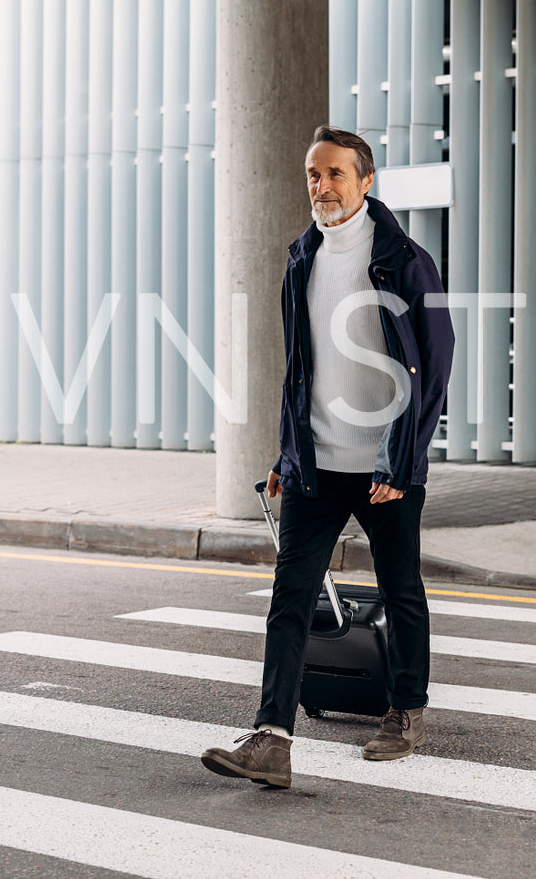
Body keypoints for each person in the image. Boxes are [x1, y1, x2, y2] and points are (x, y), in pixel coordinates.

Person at [200, 126, 454, 789]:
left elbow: (432, 364)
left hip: (384, 471)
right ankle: (272, 737)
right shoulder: (302, 258)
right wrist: (289, 451)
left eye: (336, 173)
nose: (322, 186)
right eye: (313, 174)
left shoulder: (404, 259)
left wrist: (400, 462)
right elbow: (300, 372)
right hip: (317, 464)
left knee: (402, 591)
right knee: (289, 598)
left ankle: (405, 709)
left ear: (365, 181)